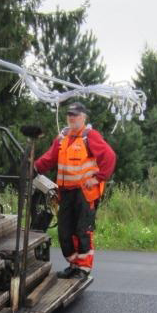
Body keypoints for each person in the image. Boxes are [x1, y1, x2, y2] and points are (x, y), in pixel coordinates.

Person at [34, 101, 116, 277]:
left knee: (82, 231)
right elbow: (49, 158)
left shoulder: (90, 136)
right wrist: (33, 168)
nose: (72, 118)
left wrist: (98, 178)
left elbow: (109, 156)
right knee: (65, 231)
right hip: (66, 193)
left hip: (84, 194)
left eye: (76, 115)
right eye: (70, 115)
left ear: (83, 117)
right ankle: (74, 264)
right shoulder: (62, 136)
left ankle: (84, 268)